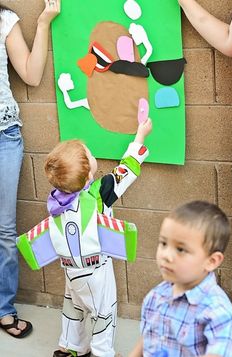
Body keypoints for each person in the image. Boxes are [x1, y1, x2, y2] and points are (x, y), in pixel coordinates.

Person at [44, 118, 152, 357]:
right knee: (104, 312)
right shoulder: (98, 194)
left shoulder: (56, 200)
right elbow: (126, 170)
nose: (94, 155)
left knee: (73, 307)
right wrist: (140, 136)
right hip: (96, 271)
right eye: (90, 154)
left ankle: (70, 348)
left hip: (71, 271)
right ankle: (102, 353)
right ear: (87, 174)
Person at [0, 0, 60, 338]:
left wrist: (44, 23)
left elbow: (32, 75)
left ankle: (3, 309)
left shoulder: (4, 19)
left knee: (5, 232)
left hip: (4, 136)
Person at [129, 200, 232, 357]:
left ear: (211, 261)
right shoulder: (157, 295)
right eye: (163, 243)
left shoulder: (217, 312)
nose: (166, 255)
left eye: (180, 249)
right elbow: (148, 338)